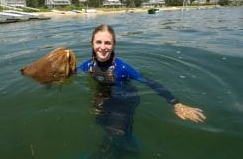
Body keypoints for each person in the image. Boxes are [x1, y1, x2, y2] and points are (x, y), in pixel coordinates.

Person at [77, 24, 206, 123]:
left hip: (125, 100)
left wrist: (176, 103)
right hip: (103, 98)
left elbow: (150, 82)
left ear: (114, 45)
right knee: (101, 123)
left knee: (117, 131)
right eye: (98, 42)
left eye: (107, 43)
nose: (103, 47)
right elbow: (70, 74)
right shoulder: (88, 65)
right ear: (92, 44)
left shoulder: (122, 67)